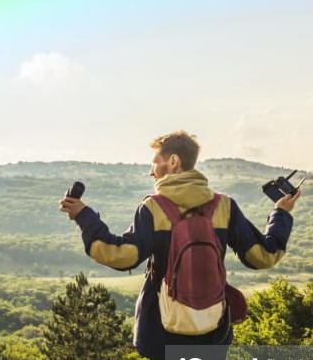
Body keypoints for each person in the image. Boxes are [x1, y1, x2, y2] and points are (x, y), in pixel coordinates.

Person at [59, 130, 300, 360]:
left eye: (155, 162)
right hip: (213, 331)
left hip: (161, 333)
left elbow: (121, 255)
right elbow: (264, 256)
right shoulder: (224, 206)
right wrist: (281, 213)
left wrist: (84, 216)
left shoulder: (154, 208)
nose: (151, 172)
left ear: (172, 161)